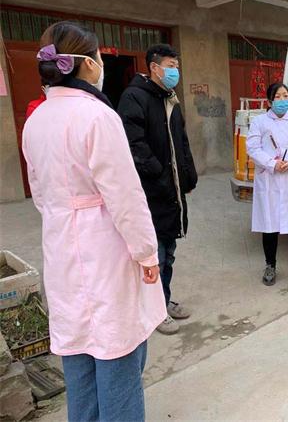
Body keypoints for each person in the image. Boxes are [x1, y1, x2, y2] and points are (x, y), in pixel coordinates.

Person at [22, 21, 166, 421]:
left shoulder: (36, 120)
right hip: (106, 250)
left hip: (61, 251)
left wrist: (65, 219)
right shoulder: (98, 116)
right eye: (99, 56)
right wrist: (146, 252)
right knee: (118, 356)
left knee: (79, 360)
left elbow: (40, 193)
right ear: (87, 63)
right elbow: (125, 196)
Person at [118, 44, 198, 336]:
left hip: (171, 192)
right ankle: (155, 310)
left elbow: (182, 141)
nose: (175, 71)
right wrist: (160, 175)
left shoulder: (169, 98)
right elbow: (134, 144)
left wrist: (188, 176)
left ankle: (163, 300)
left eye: (177, 66)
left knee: (169, 251)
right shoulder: (134, 98)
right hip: (150, 192)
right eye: (170, 66)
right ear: (154, 67)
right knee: (156, 255)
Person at [246, 82, 288, 286]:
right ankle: (270, 265)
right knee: (269, 225)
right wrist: (272, 163)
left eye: (286, 96)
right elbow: (253, 147)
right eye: (278, 97)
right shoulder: (259, 122)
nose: (283, 100)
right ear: (269, 101)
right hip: (270, 179)